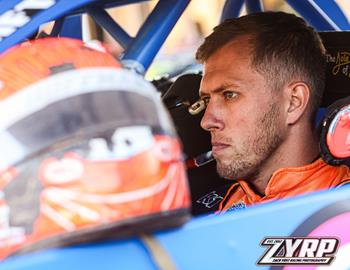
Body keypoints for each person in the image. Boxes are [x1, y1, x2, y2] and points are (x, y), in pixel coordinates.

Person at [195, 11, 350, 213]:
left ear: (293, 102)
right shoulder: (207, 211)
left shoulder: (341, 209)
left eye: (229, 95)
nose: (206, 121)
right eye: (206, 99)